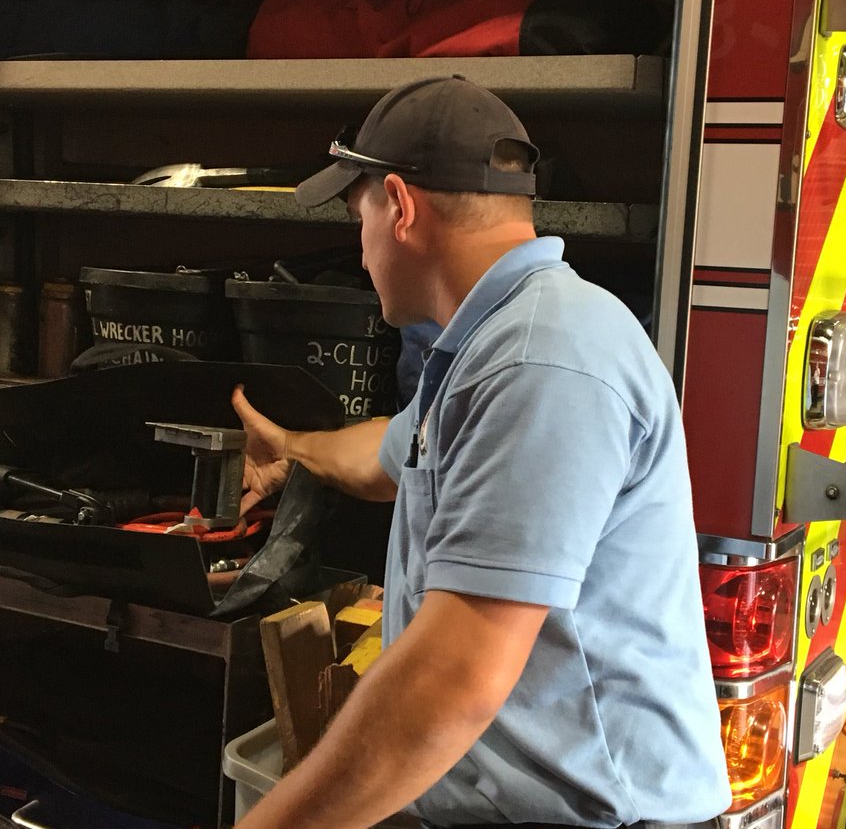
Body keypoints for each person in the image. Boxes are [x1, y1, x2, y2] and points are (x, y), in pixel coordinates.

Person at [230, 76, 730, 829]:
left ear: (398, 206)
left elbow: (454, 679)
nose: (359, 251)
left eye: (354, 212)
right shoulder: (485, 347)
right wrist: (291, 448)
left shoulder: (542, 362)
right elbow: (388, 459)